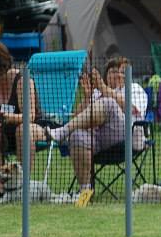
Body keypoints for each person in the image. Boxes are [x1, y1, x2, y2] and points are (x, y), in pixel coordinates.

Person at [46, 57, 147, 202]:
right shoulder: (96, 93)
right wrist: (87, 98)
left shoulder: (135, 89)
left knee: (108, 103)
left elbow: (130, 108)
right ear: (106, 75)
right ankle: (84, 194)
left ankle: (62, 131)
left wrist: (104, 89)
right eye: (113, 71)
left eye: (122, 72)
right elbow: (77, 117)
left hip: (125, 138)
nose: (118, 75)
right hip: (97, 139)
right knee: (77, 136)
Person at [0, 40, 47, 199]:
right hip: (2, 133)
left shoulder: (22, 79)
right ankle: (3, 185)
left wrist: (8, 118)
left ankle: (22, 185)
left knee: (22, 129)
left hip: (32, 128)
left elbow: (30, 115)